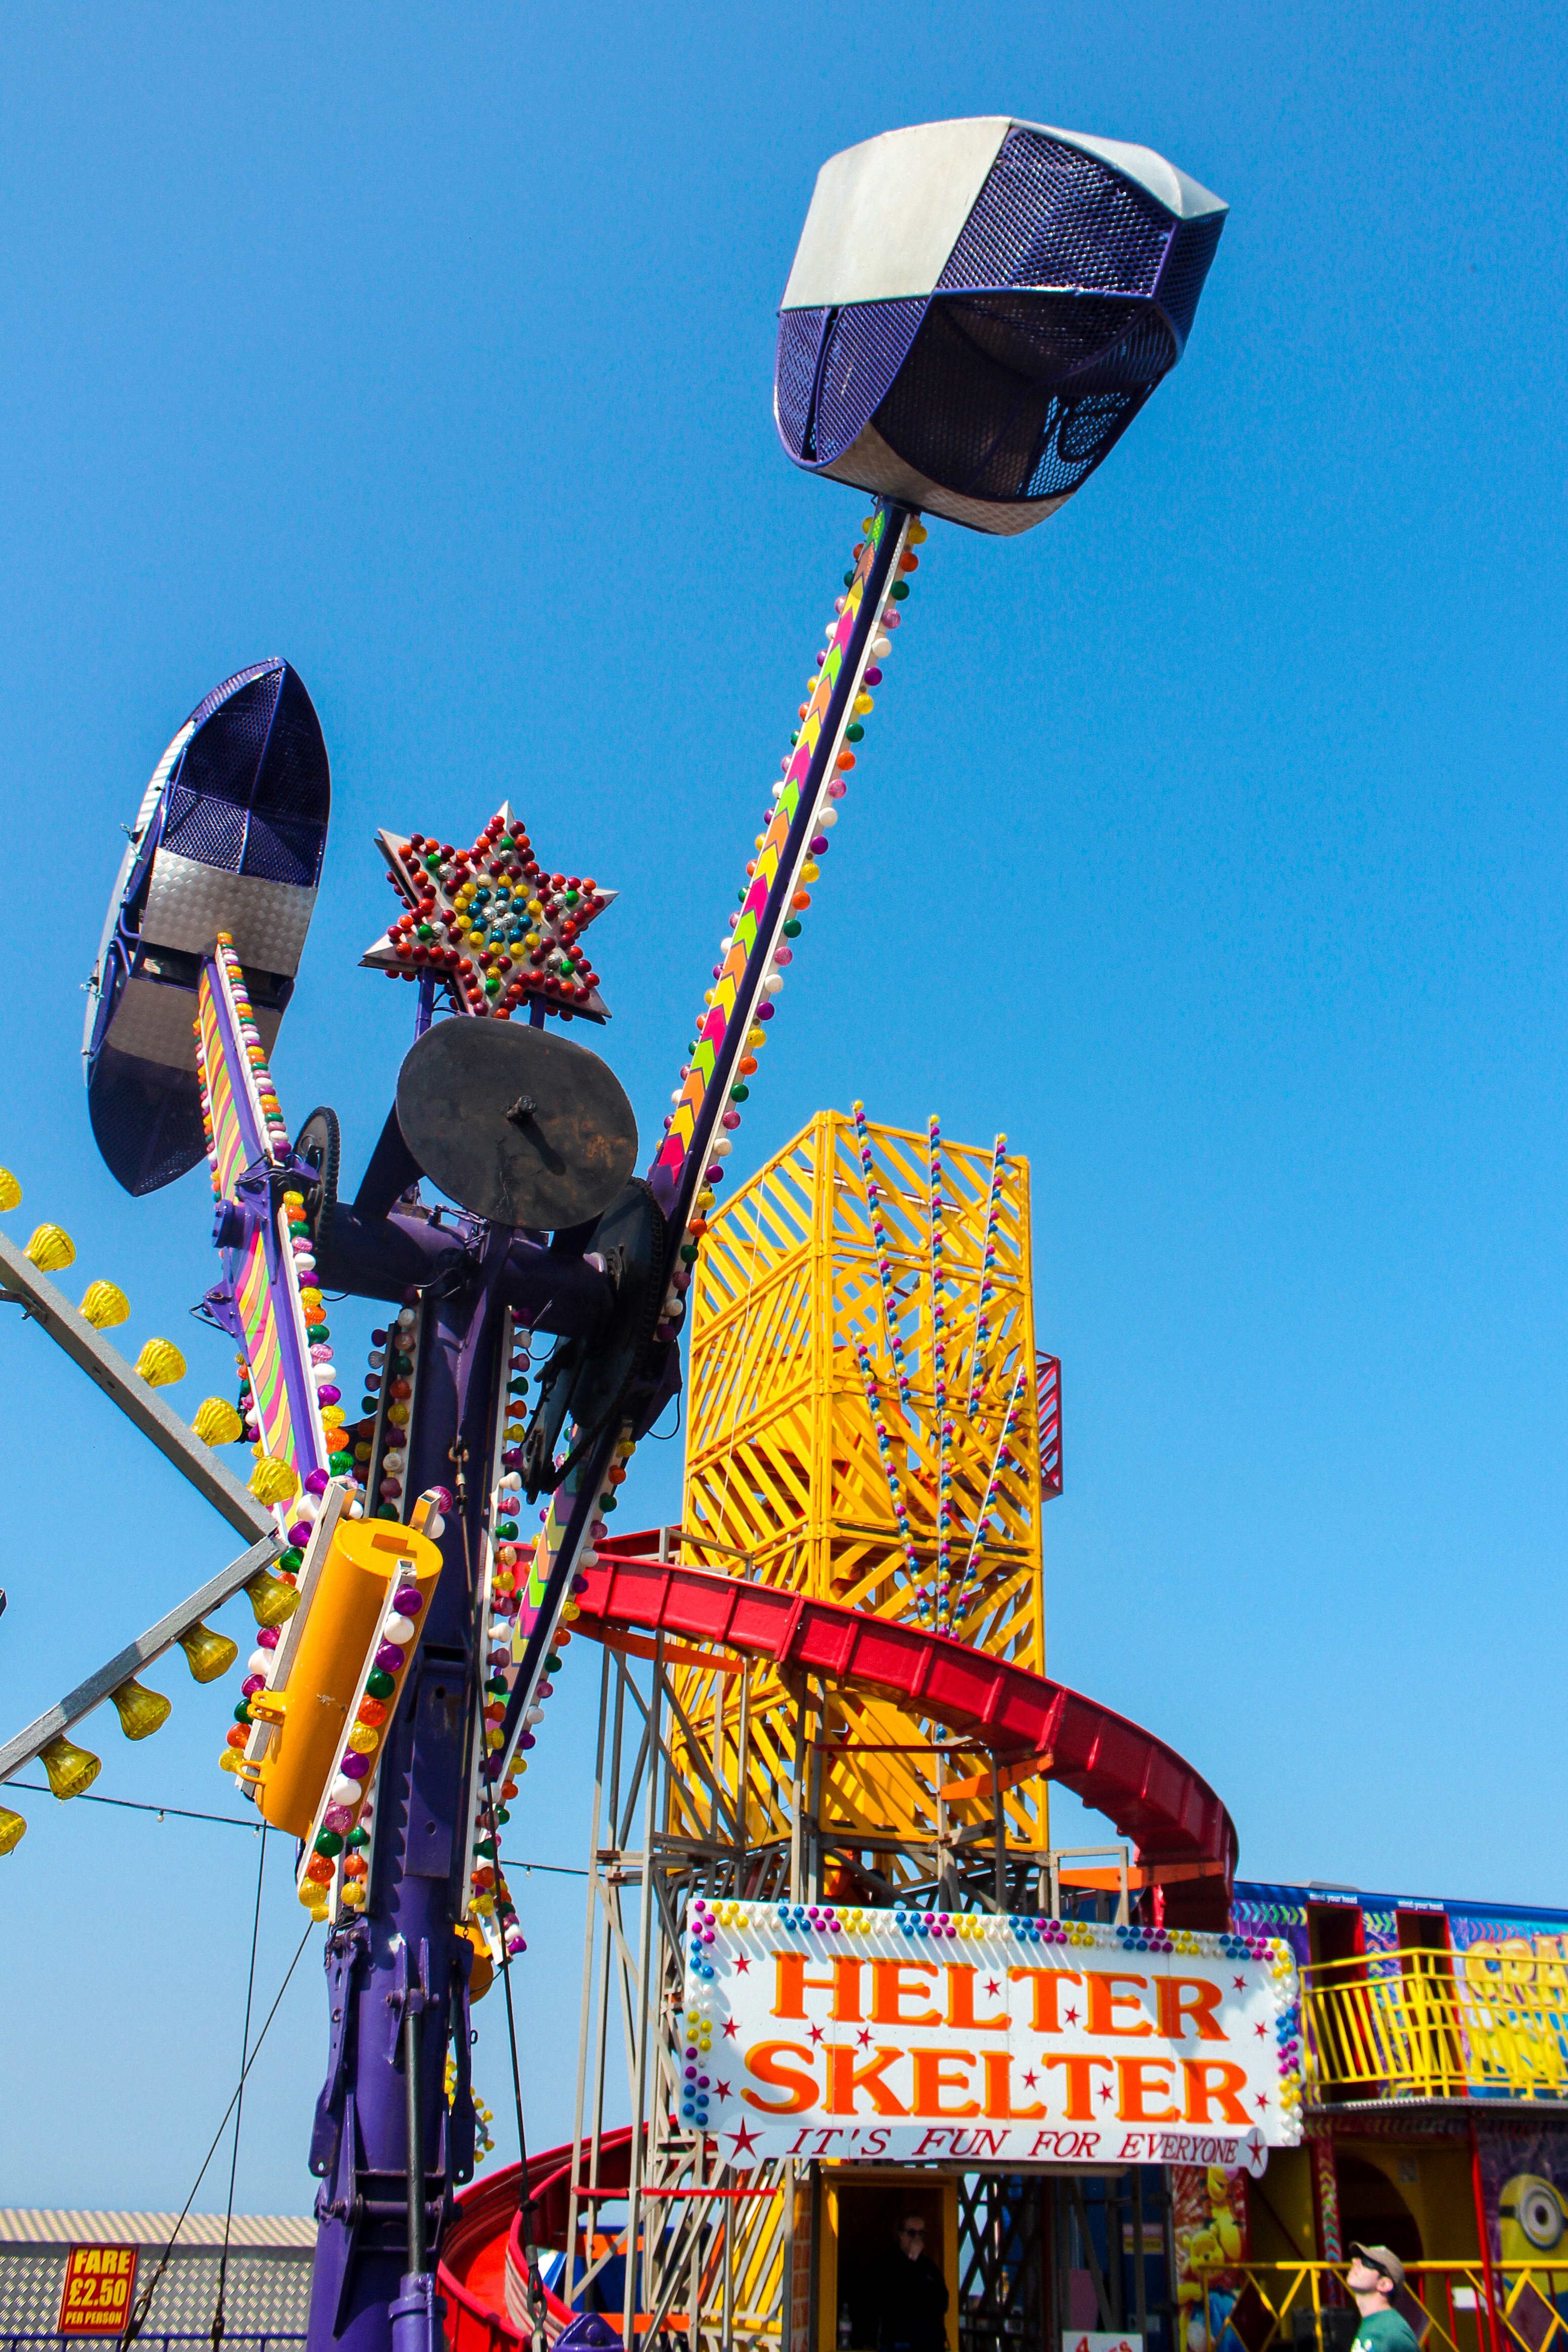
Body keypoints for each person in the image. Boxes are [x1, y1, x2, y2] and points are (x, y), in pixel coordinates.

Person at [858, 2214, 948, 2352]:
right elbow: (896, 2301)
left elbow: (943, 2302)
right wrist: (911, 2262)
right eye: (912, 2233)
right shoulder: (887, 2264)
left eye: (921, 2233)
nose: (917, 2238)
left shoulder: (928, 2266)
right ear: (901, 2234)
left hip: (929, 2343)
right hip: (900, 2342)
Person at [1346, 2244, 1421, 2352]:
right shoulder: (1375, 2324)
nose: (1355, 2261)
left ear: (1384, 2284)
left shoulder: (1391, 2332)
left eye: (1367, 2263)